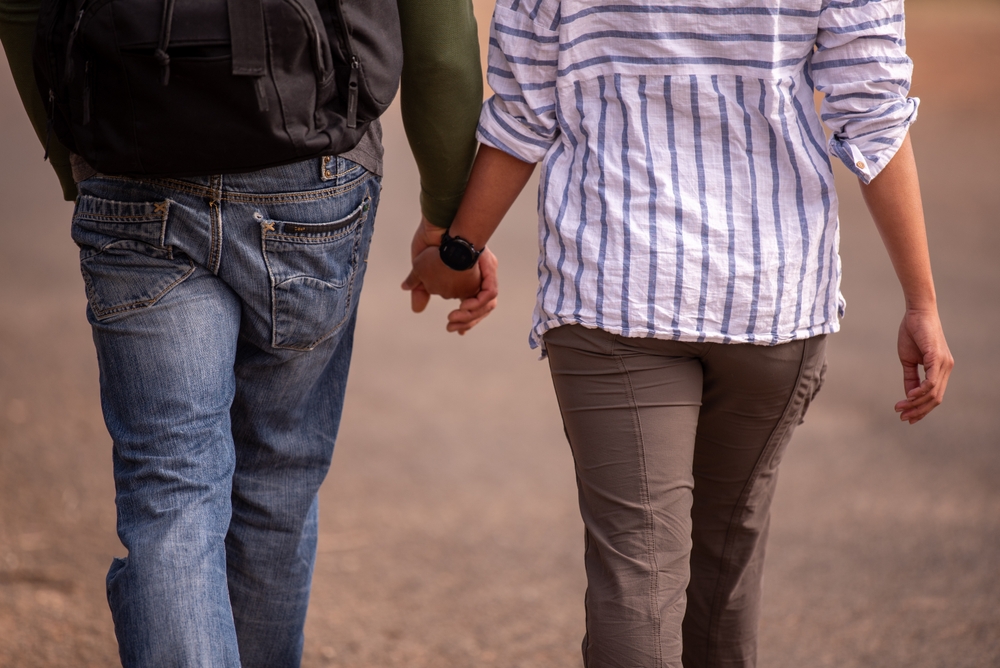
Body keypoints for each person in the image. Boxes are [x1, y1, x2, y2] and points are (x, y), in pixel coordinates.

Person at [404, 0, 954, 666]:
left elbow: (523, 112)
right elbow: (873, 109)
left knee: (634, 576)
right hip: (771, 291)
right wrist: (921, 301)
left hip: (614, 285)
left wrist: (456, 251)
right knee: (726, 562)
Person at [0, 0, 496, 665]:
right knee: (277, 477)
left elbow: (21, 6)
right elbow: (437, 32)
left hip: (131, 164)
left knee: (170, 488)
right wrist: (448, 223)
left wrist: (76, 166)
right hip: (311, 168)